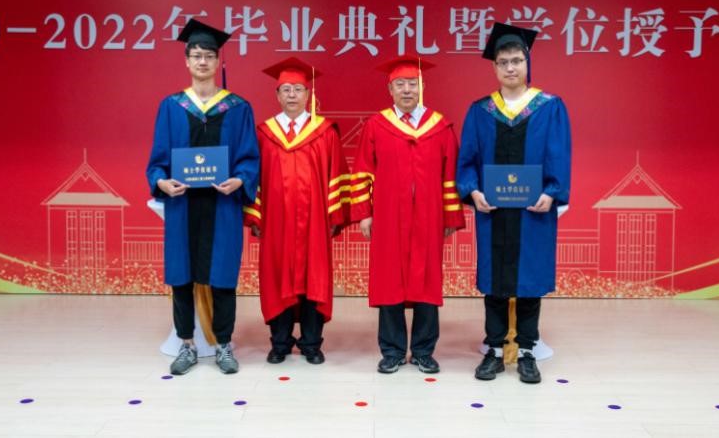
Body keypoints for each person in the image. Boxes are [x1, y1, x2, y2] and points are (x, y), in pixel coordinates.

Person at [456, 22, 571, 384]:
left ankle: (526, 352)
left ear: (527, 62)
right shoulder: (480, 110)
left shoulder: (549, 107)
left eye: (516, 61)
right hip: (493, 212)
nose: (510, 68)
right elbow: (467, 159)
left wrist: (551, 192)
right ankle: (493, 350)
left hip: (533, 211)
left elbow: (559, 155)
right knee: (495, 281)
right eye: (503, 62)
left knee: (529, 281)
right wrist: (473, 191)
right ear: (494, 67)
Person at [145, 19, 260, 376]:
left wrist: (239, 180)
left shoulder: (238, 107)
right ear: (187, 61)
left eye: (209, 56)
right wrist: (161, 182)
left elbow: (249, 158)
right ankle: (187, 344)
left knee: (223, 276)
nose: (203, 62)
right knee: (182, 275)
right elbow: (157, 160)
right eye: (196, 56)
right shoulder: (171, 106)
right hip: (183, 205)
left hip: (221, 204)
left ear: (218, 60)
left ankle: (223, 344)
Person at [350, 55, 464, 374]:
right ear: (390, 89)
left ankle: (424, 350)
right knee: (389, 281)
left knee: (427, 281)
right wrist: (365, 213)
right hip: (388, 217)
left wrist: (450, 217)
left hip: (429, 217)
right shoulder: (377, 125)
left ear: (421, 87)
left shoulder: (440, 127)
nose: (406, 90)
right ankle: (393, 351)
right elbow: (362, 172)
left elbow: (450, 175)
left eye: (412, 84)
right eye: (399, 84)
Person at [244, 57, 351, 365]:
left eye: (298, 89)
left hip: (315, 222)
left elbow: (337, 174)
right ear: (277, 95)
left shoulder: (325, 132)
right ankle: (279, 343)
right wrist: (255, 215)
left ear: (308, 94)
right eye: (286, 89)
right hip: (276, 222)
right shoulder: (264, 134)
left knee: (313, 277)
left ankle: (311, 344)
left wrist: (334, 216)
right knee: (277, 276)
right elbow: (254, 178)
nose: (292, 94)